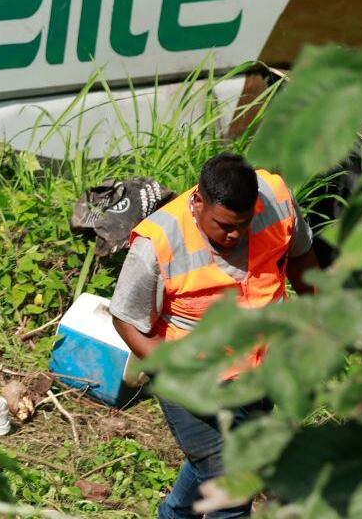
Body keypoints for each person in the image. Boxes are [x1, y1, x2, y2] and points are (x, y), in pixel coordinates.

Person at [110, 152, 315, 519]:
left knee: (213, 466)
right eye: (224, 225)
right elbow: (126, 318)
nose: (235, 234)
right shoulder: (159, 243)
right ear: (198, 201)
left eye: (244, 222)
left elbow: (302, 260)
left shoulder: (277, 199)